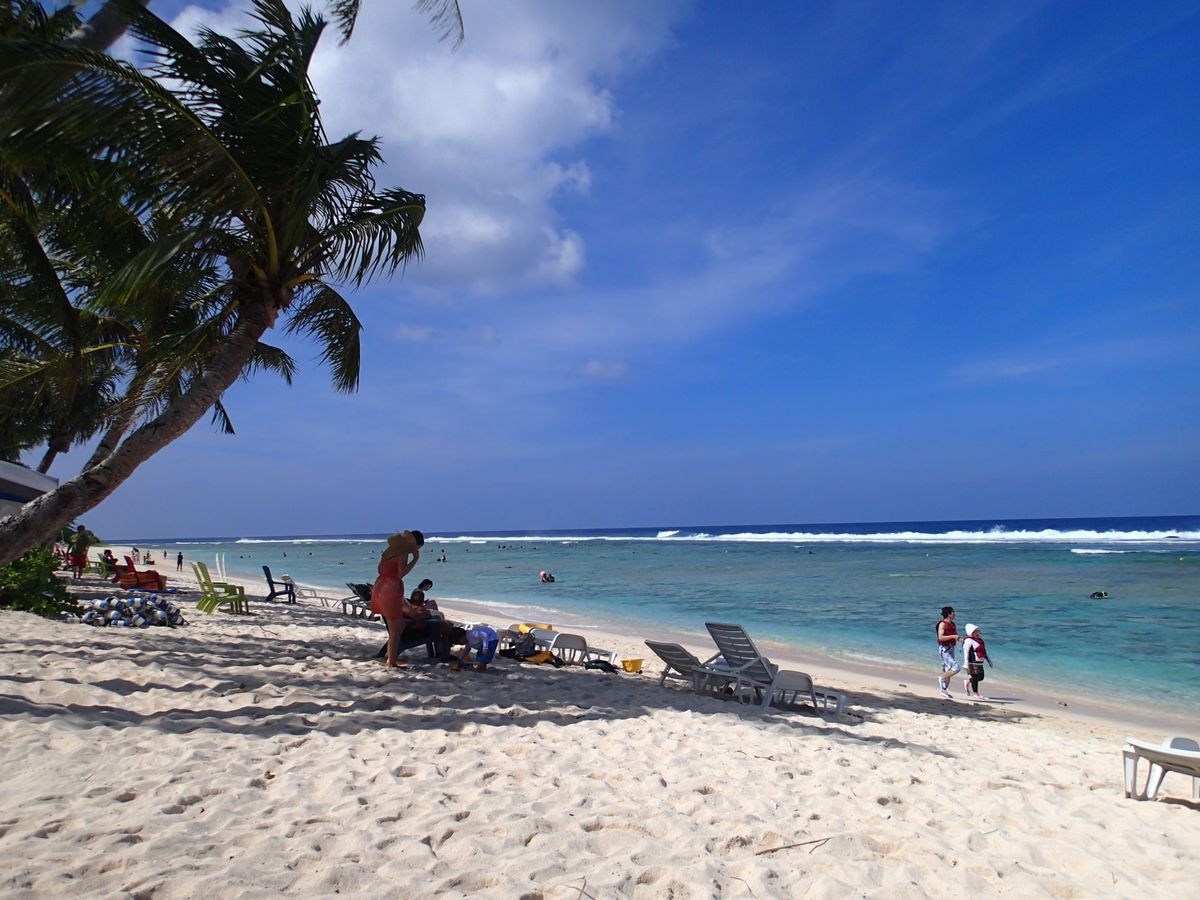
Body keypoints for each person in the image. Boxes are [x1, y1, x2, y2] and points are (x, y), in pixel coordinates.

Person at [371, 530, 425, 669]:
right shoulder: (403, 553)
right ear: (414, 544)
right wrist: (415, 559)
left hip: (380, 586)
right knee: (395, 629)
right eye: (418, 547)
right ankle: (391, 662)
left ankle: (392, 658)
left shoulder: (390, 551)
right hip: (390, 589)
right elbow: (401, 573)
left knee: (399, 625)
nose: (417, 550)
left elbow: (379, 568)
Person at [961, 624, 994, 699]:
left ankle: (968, 681)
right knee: (975, 677)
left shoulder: (980, 641)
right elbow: (966, 652)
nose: (977, 633)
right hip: (972, 662)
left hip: (980, 662)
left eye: (978, 631)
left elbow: (984, 652)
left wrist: (989, 661)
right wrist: (966, 664)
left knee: (981, 677)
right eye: (975, 632)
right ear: (970, 633)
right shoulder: (968, 640)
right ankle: (976, 693)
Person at [936, 606, 962, 698]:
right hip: (944, 649)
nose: (954, 614)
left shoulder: (953, 624)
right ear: (949, 614)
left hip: (951, 648)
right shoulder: (942, 624)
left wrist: (959, 639)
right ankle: (942, 679)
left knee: (949, 670)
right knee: (956, 668)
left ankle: (944, 691)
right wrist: (953, 637)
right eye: (953, 612)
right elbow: (940, 637)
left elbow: (954, 635)